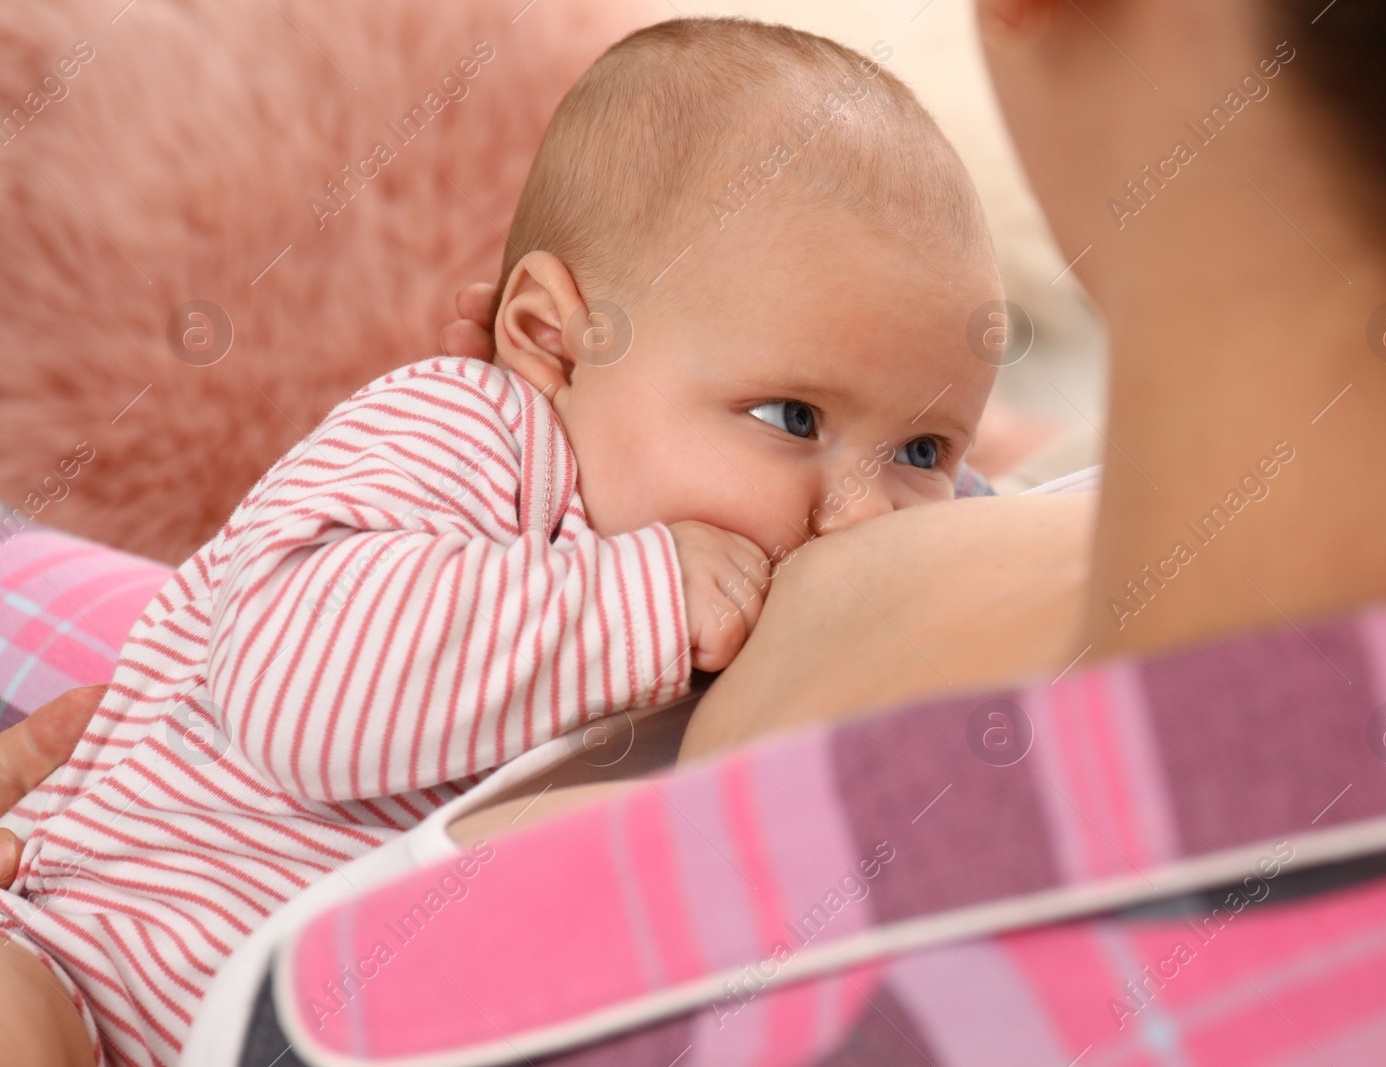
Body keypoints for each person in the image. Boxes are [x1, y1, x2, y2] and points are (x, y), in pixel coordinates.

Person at [0, 19, 1005, 1066]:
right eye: (792, 418)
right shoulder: (471, 436)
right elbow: (292, 694)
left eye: (923, 446)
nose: (862, 512)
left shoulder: (796, 604)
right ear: (550, 340)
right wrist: (645, 602)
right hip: (84, 968)